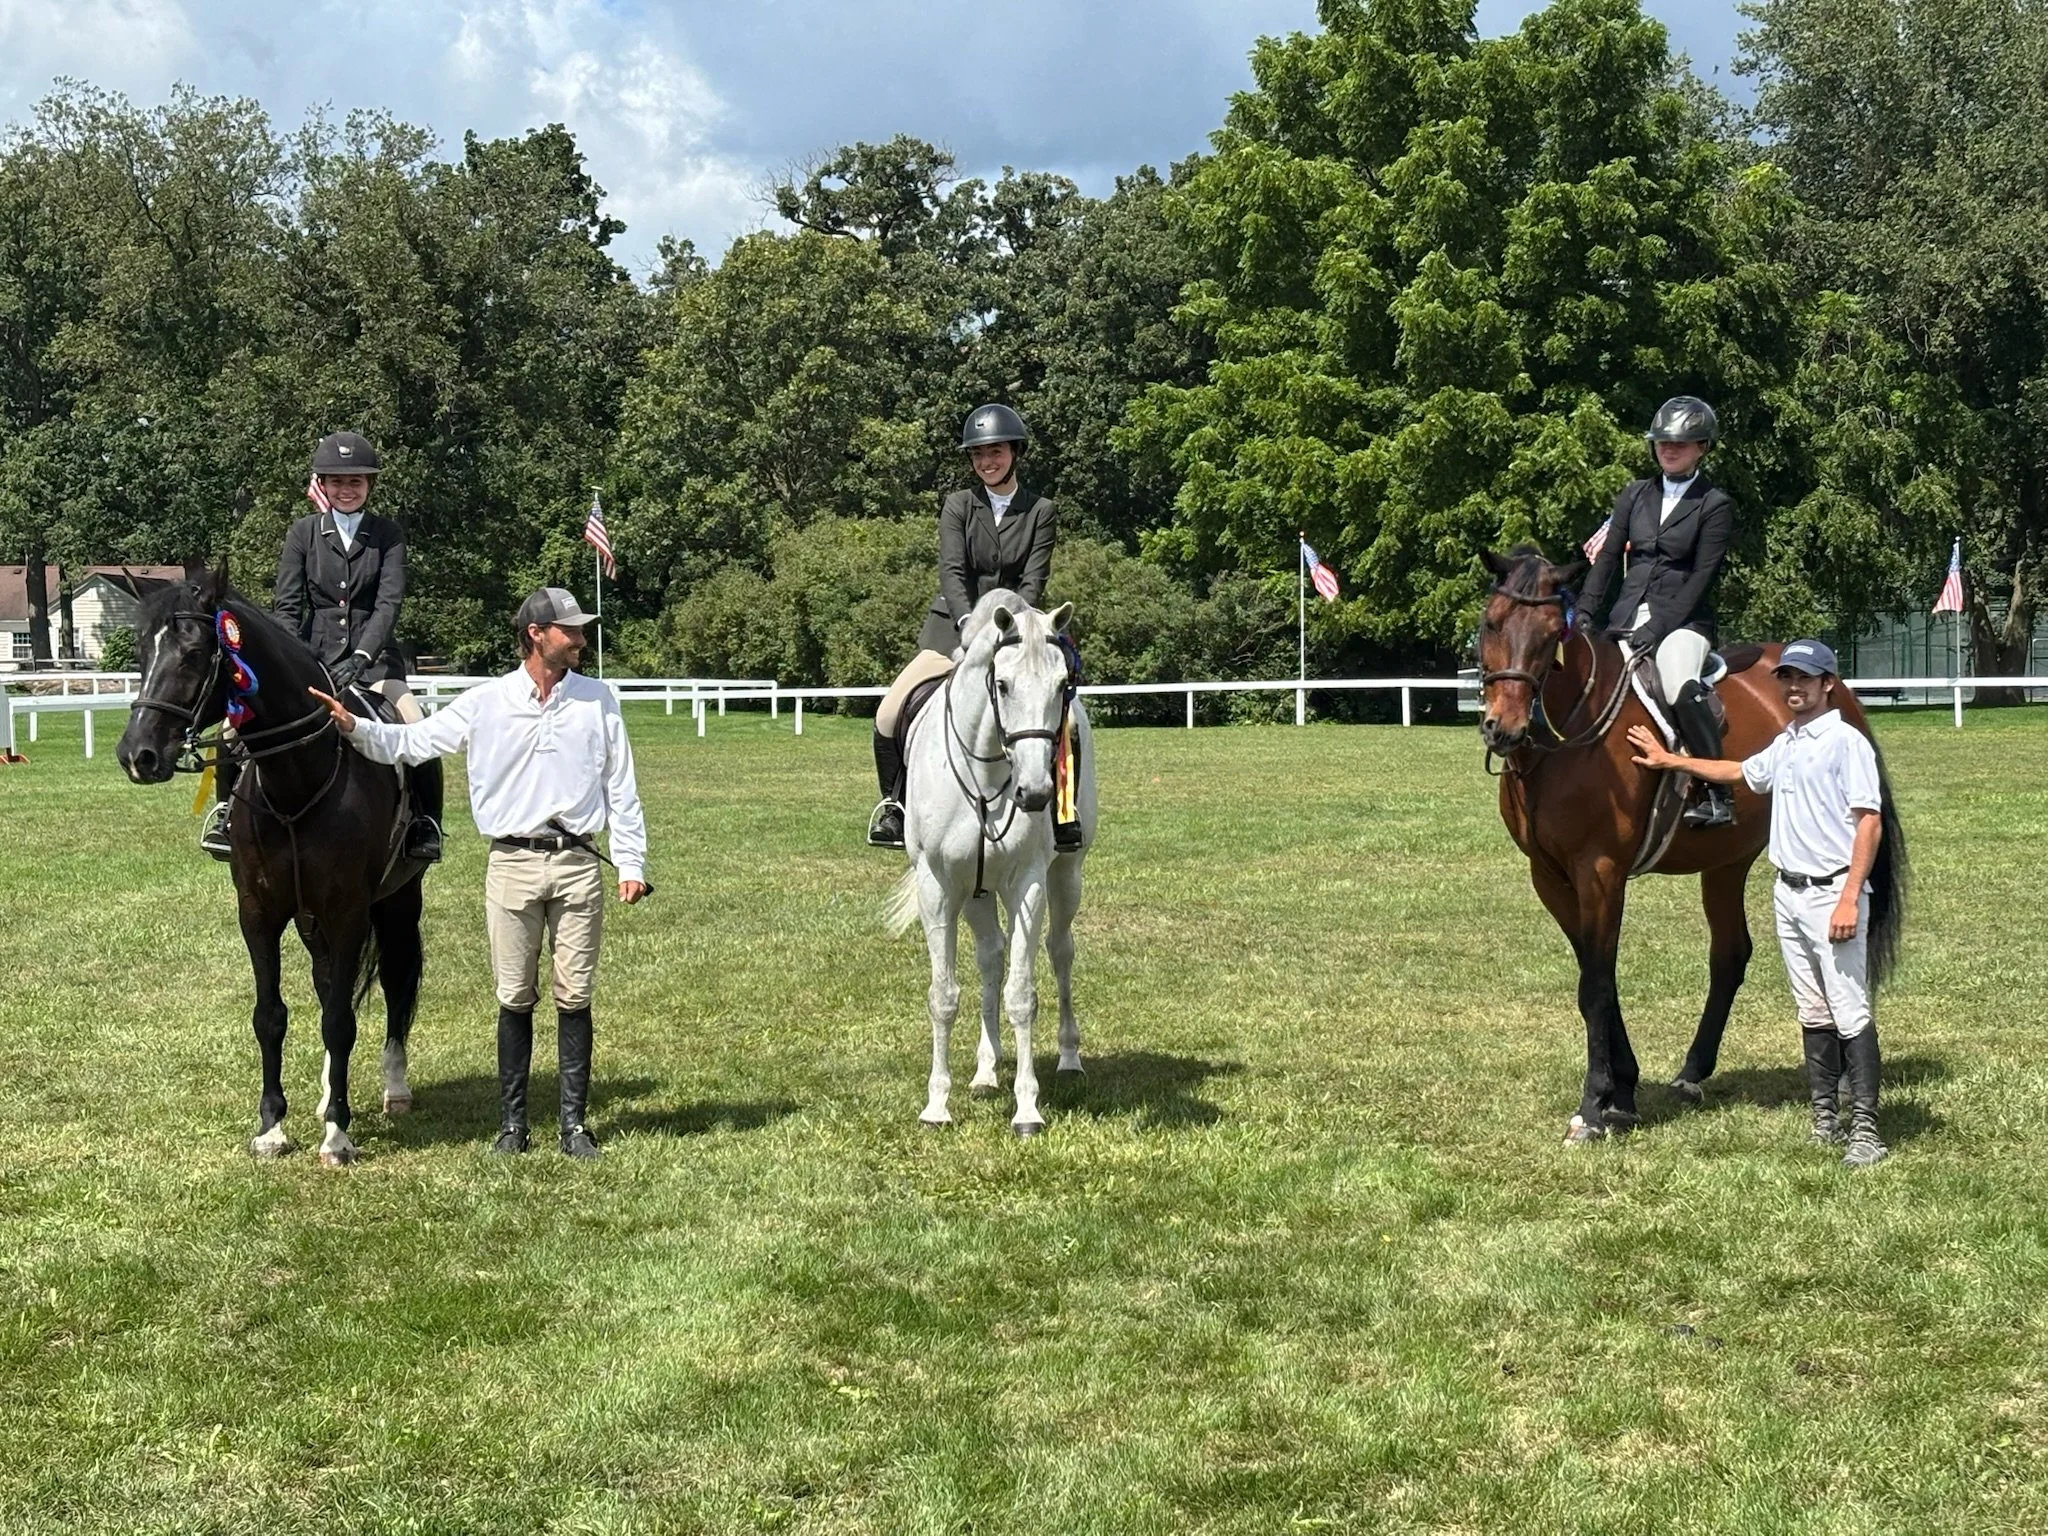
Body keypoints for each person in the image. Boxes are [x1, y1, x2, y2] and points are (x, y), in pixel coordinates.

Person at [307, 587, 649, 1160]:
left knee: (575, 994)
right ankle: (513, 1126)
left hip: (578, 863)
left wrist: (631, 861)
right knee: (515, 995)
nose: (582, 639)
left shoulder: (598, 699)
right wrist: (353, 728)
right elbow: (413, 743)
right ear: (536, 635)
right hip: (511, 863)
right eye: (571, 630)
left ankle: (574, 1125)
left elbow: (622, 784)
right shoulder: (486, 701)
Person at [1628, 640, 1889, 1167]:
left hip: (1830, 892)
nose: (1794, 687)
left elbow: (1870, 822)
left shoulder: (1845, 743)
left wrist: (1848, 899)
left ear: (1827, 686)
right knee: (1813, 1011)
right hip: (1788, 894)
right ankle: (1824, 1119)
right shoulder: (1788, 742)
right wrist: (1669, 760)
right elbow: (1739, 773)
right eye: (1787, 678)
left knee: (1849, 1010)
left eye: (1806, 680)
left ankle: (1866, 1128)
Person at [202, 430, 443, 862]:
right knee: (232, 727)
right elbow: (288, 606)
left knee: (414, 721)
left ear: (369, 486)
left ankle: (425, 824)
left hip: (376, 667)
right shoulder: (303, 533)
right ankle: (226, 815)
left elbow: (388, 604)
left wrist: (363, 656)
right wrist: (287, 662)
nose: (345, 490)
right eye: (336, 482)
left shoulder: (388, 535)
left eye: (355, 482)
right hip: (312, 661)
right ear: (324, 485)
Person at [867, 403, 1070, 850]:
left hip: (1017, 633)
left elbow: (1034, 581)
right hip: (951, 631)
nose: (986, 462)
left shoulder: (1041, 510)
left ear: (1015, 452)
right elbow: (952, 571)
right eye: (977, 455)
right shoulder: (959, 505)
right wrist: (967, 624)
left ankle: (1063, 813)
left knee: (1063, 721)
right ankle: (895, 809)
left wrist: (1012, 629)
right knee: (887, 714)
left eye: (994, 451)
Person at [1578, 397, 1739, 828]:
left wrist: (1661, 627)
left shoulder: (1714, 504)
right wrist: (1584, 614)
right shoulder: (1635, 495)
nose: (1668, 448)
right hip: (1626, 616)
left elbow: (1702, 577)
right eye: (1662, 441)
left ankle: (1718, 795)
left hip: (1683, 623)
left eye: (1680, 443)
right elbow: (1609, 558)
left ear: (1702, 447)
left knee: (1678, 685)